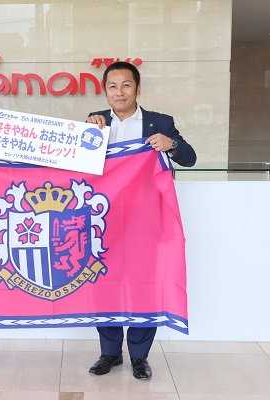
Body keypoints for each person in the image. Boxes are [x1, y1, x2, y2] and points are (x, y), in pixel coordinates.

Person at [86, 61, 196, 380]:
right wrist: (86, 135)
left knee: (145, 285)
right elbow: (77, 168)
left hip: (146, 220)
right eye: (112, 86)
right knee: (103, 283)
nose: (119, 92)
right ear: (105, 91)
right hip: (103, 220)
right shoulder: (95, 122)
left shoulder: (160, 122)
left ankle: (139, 356)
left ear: (137, 88)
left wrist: (171, 144)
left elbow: (189, 158)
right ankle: (110, 352)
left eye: (126, 85)